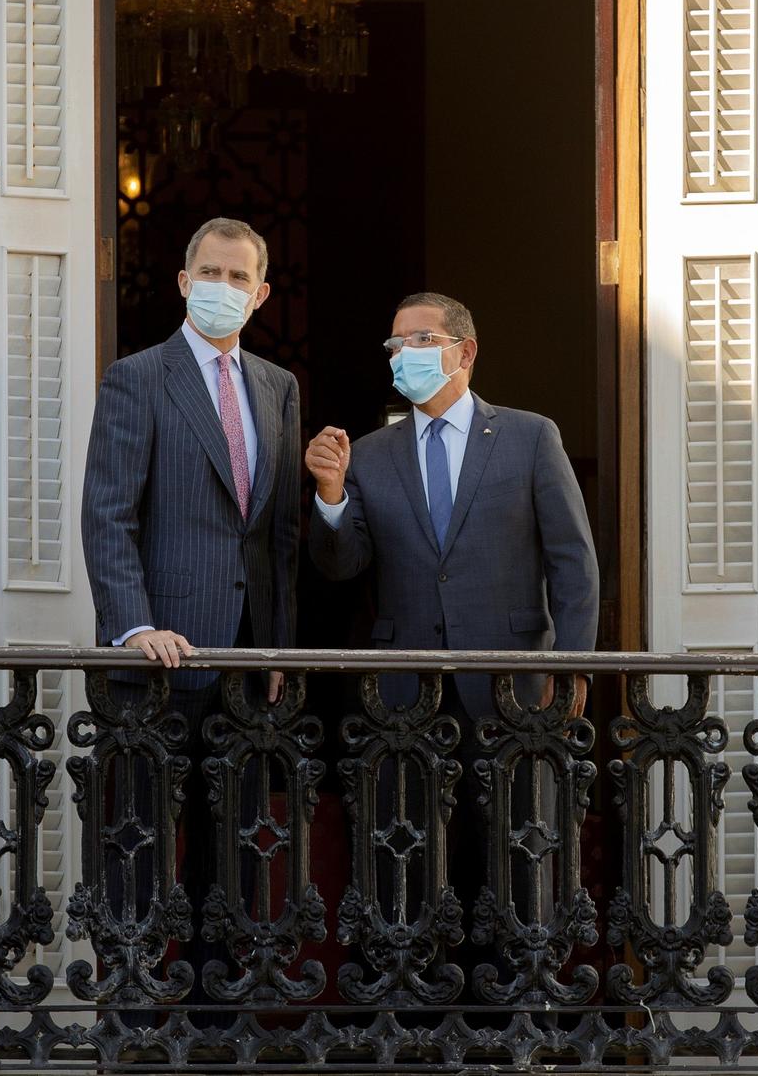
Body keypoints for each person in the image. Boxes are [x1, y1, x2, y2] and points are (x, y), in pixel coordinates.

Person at [305, 291, 599, 1005]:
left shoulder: (531, 437)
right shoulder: (371, 455)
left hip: (512, 689)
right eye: (395, 344)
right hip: (404, 698)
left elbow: (574, 563)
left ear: (464, 351)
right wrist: (333, 496)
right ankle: (411, 1016)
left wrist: (569, 667)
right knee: (406, 855)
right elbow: (342, 566)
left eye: (420, 339)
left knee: (519, 852)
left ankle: (523, 1012)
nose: (403, 354)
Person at [80, 216, 301, 1018]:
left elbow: (277, 537)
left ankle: (220, 1008)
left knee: (237, 844)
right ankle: (134, 1012)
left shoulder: (278, 388)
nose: (223, 288)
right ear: (182, 283)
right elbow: (108, 513)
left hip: (245, 663)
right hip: (158, 661)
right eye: (209, 272)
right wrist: (134, 625)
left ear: (262, 293)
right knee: (140, 842)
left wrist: (279, 648)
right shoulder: (137, 377)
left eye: (239, 277)